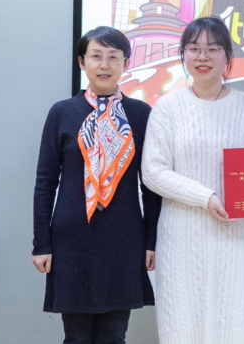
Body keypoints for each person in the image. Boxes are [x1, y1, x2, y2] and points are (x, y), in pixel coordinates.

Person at [141, 17, 244, 344]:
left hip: (237, 240)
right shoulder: (167, 108)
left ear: (227, 56)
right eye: (194, 48)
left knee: (235, 329)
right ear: (183, 54)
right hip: (181, 238)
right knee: (182, 329)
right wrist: (205, 197)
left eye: (212, 49)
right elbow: (153, 171)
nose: (202, 57)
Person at [32, 26, 161, 343]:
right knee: (75, 336)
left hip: (124, 238)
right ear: (82, 62)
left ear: (126, 63)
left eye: (114, 57)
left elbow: (151, 184)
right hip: (71, 239)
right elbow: (45, 182)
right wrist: (42, 244)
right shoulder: (62, 112)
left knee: (114, 335)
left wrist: (151, 241)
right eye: (96, 56)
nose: (105, 65)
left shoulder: (140, 114)